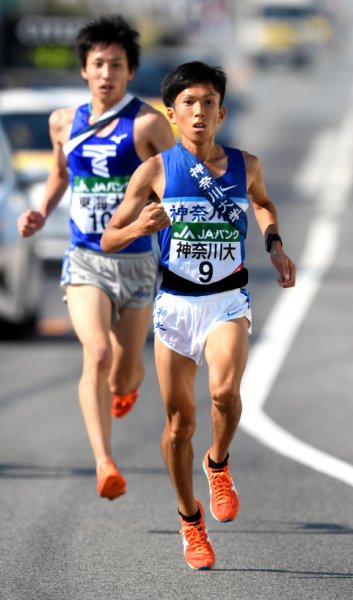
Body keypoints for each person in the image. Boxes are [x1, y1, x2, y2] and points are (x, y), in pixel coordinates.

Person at [101, 61, 296, 568]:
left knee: (223, 392)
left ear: (222, 111)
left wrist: (274, 244)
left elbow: (264, 203)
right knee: (177, 425)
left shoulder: (245, 164)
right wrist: (139, 227)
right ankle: (190, 521)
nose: (199, 112)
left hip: (228, 299)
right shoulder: (155, 171)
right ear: (172, 114)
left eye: (209, 102)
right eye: (189, 103)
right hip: (176, 305)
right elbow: (109, 237)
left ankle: (219, 464)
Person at [17, 15, 175, 501]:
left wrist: (161, 219)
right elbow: (60, 174)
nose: (107, 73)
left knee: (126, 368)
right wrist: (41, 211)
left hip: (138, 263)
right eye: (98, 63)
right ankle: (105, 462)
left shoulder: (148, 123)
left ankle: (127, 385)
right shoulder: (64, 121)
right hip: (85, 258)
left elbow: (178, 184)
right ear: (85, 69)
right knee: (98, 353)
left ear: (130, 72)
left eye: (117, 65)